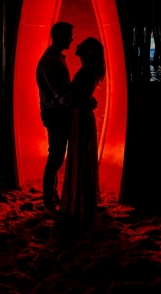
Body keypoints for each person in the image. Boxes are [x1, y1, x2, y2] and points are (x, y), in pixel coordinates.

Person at [60, 37, 105, 224]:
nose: (77, 44)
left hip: (80, 116)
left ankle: (78, 201)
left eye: (82, 44)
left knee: (79, 155)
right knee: (82, 156)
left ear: (88, 52)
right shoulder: (90, 71)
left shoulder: (86, 71)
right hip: (83, 115)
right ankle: (81, 200)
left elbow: (77, 97)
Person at [36, 21, 74, 218]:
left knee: (56, 156)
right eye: (69, 35)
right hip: (56, 114)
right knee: (56, 157)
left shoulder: (54, 58)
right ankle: (49, 203)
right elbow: (62, 95)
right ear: (58, 35)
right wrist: (80, 102)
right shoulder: (52, 62)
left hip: (54, 113)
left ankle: (52, 196)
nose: (72, 39)